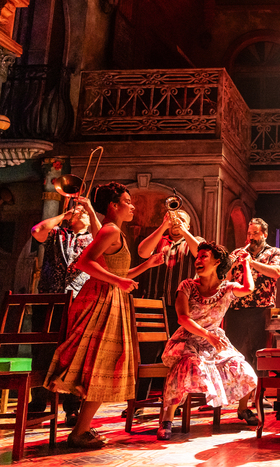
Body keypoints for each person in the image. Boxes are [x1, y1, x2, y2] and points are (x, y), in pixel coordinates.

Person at [43, 182, 164, 448]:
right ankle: (79, 431)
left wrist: (147, 264)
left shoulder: (112, 230)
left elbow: (120, 274)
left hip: (110, 298)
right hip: (102, 301)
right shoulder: (111, 230)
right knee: (102, 365)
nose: (132, 206)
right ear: (113, 205)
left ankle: (81, 429)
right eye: (127, 201)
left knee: (103, 367)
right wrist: (117, 282)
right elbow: (84, 263)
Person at [156, 241, 257, 440]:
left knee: (244, 369)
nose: (198, 260)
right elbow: (182, 318)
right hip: (187, 339)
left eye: (204, 257)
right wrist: (207, 335)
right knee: (189, 366)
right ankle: (167, 418)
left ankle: (243, 410)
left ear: (217, 262)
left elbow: (248, 288)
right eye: (197, 257)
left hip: (214, 341)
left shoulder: (227, 288)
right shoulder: (187, 286)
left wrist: (246, 264)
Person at [30, 197, 101, 426]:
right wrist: (64, 215)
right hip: (50, 297)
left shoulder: (92, 239)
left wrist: (89, 209)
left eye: (84, 213)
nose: (80, 213)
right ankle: (38, 404)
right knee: (43, 351)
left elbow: (105, 240)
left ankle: (72, 407)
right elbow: (37, 230)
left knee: (74, 354)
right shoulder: (57, 233)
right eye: (77, 211)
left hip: (78, 300)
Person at [133, 209, 203, 417]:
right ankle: (138, 402)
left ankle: (175, 402)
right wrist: (162, 226)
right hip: (152, 304)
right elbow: (142, 252)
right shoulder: (159, 239)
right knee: (145, 355)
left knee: (178, 355)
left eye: (181, 220)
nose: (176, 222)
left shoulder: (193, 240)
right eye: (173, 218)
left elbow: (200, 252)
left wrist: (185, 233)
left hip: (179, 307)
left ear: (188, 225)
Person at [225, 218, 280, 374]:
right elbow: (224, 278)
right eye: (249, 233)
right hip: (236, 309)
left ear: (264, 234)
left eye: (255, 233)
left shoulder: (274, 252)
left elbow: (276, 272)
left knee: (259, 354)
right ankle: (237, 394)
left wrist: (251, 263)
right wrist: (234, 264)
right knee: (235, 353)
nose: (251, 237)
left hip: (261, 310)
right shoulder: (237, 252)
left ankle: (258, 395)